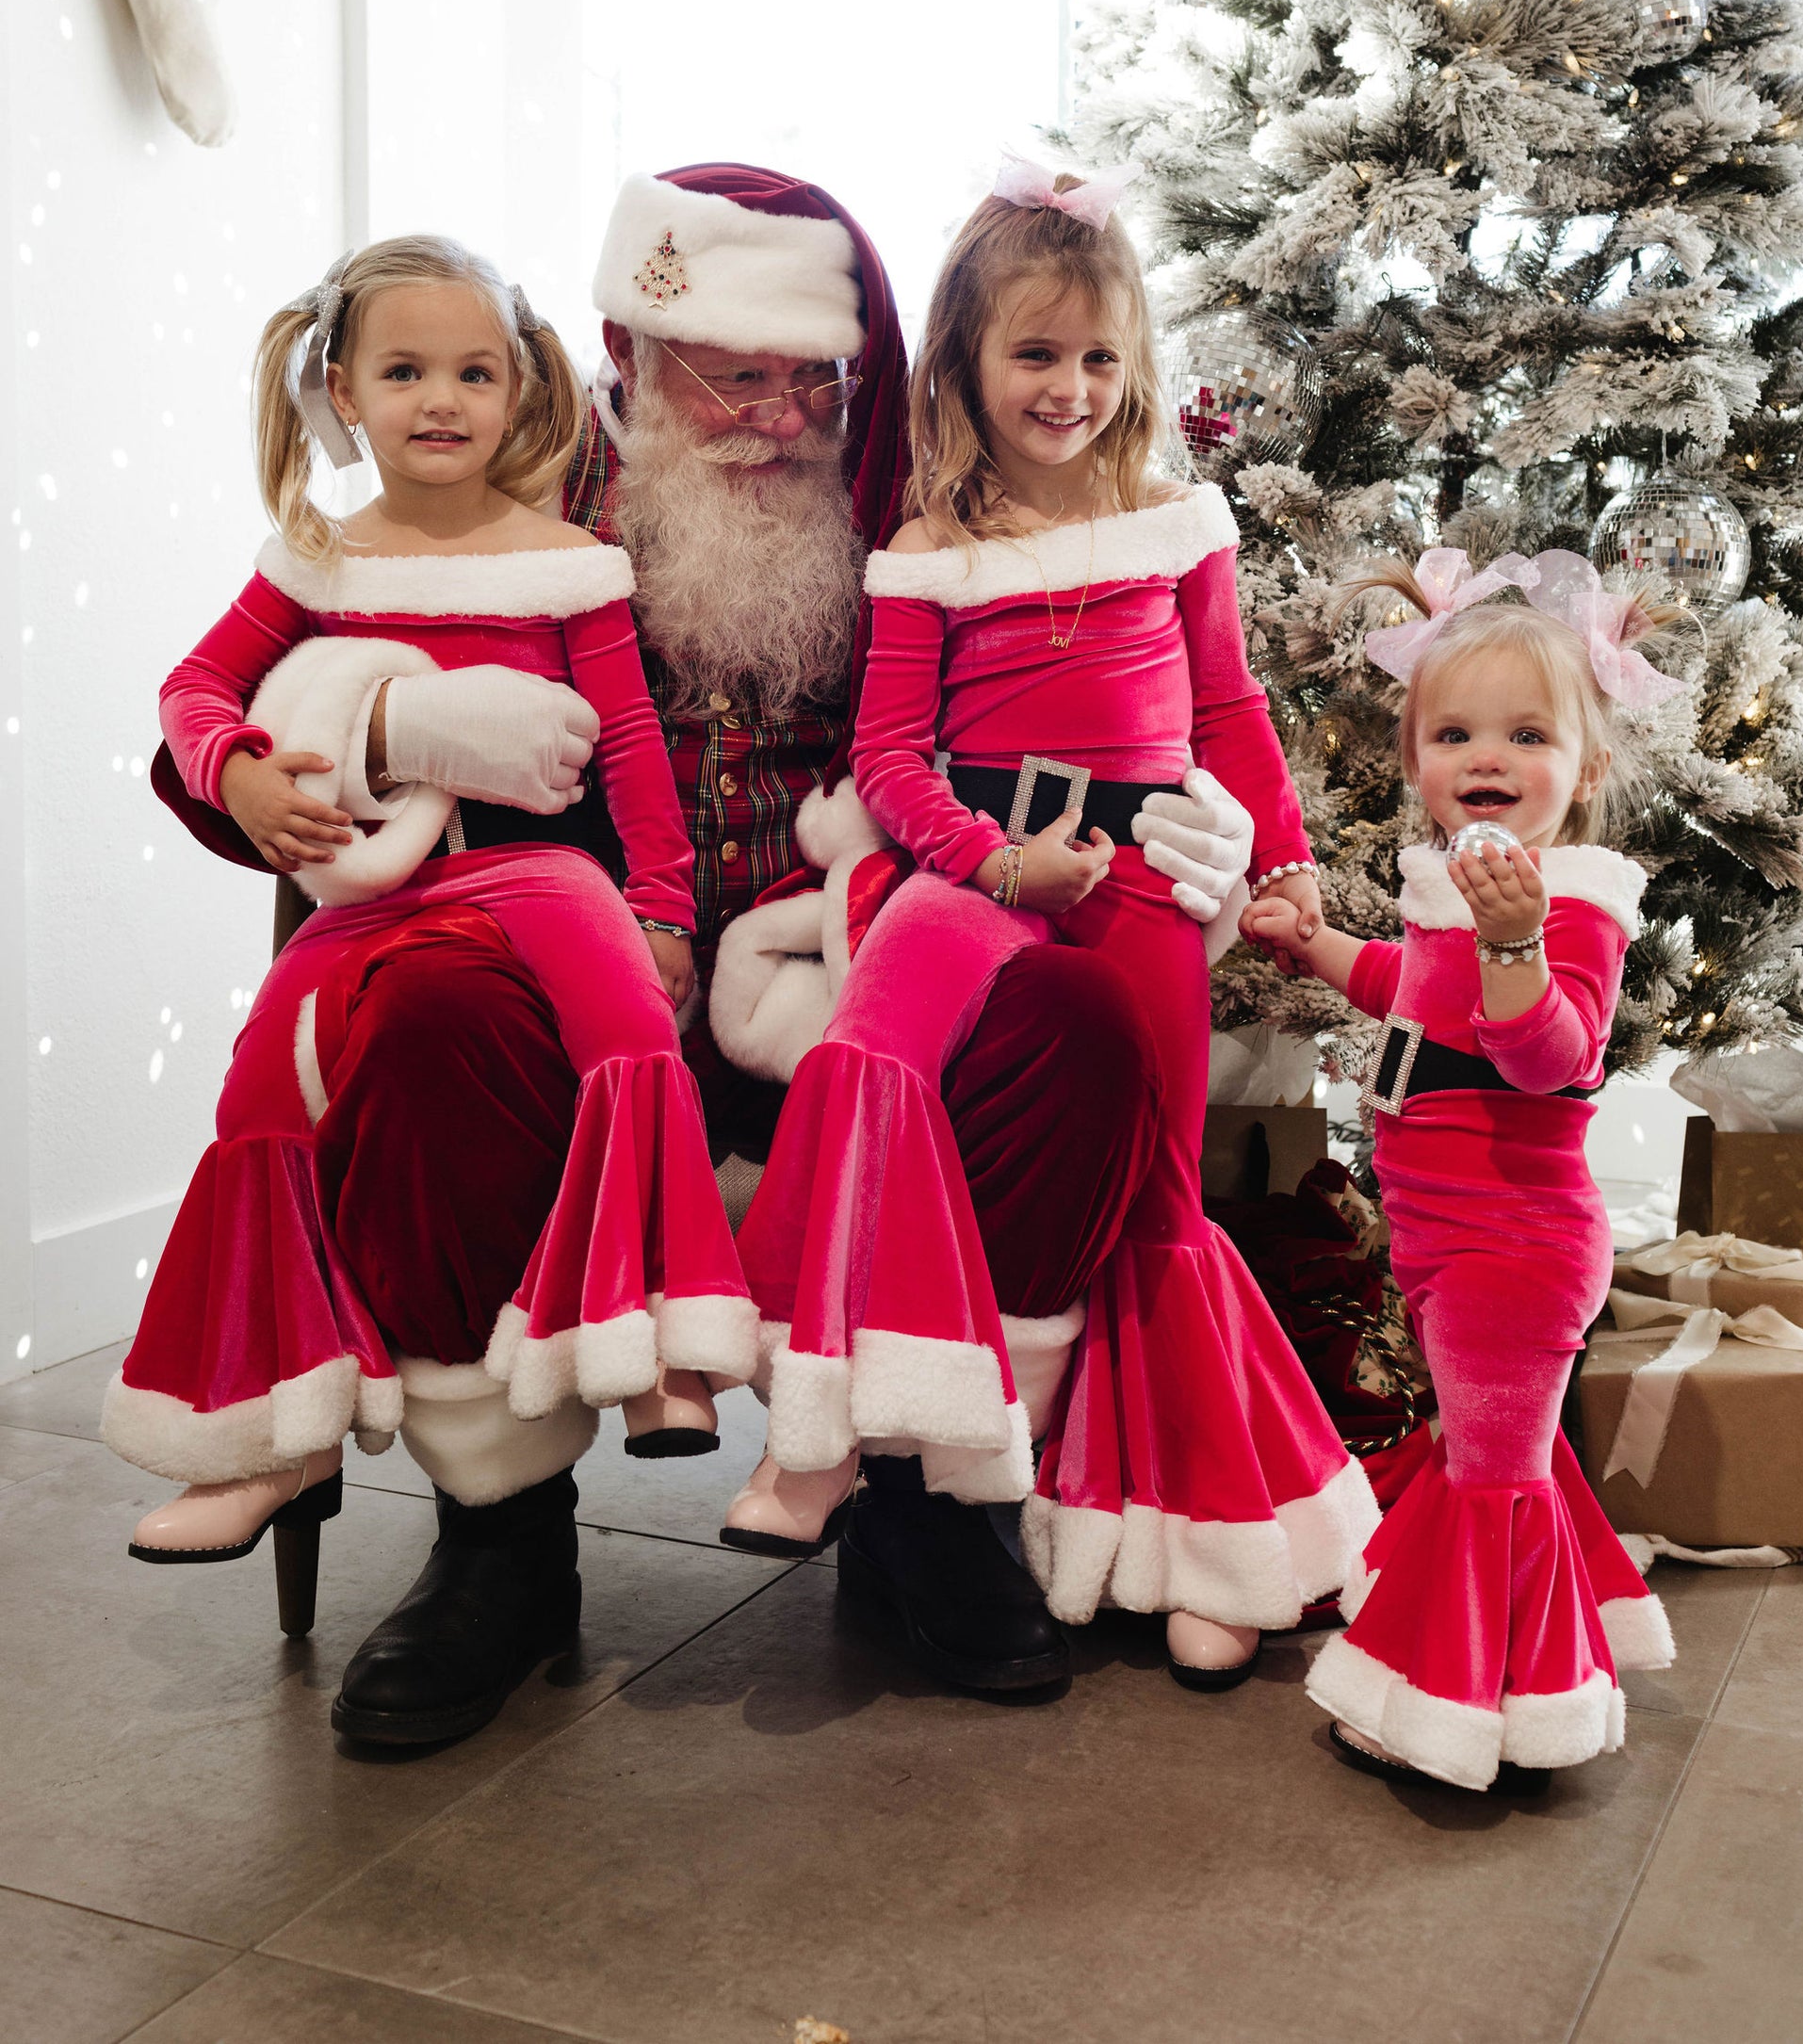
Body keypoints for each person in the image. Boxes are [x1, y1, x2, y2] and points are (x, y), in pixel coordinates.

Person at [142, 166, 1248, 1734]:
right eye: (734, 373)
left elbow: (1118, 671)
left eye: (813, 379)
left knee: (1068, 1018)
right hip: (576, 989)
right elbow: (239, 707)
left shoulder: (916, 501)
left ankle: (923, 1494)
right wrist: (376, 723)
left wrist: (1192, 818)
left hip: (859, 972)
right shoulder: (522, 499)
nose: (776, 416)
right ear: (630, 351)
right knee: (431, 1015)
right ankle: (503, 1538)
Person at [738, 161, 1379, 1692]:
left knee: (1152, 1193)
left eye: (1101, 357)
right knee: (874, 1055)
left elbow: (1225, 705)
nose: (1071, 388)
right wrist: (985, 860)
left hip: (1145, 868)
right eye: (1035, 353)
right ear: (963, 360)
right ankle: (818, 1425)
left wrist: (1279, 867)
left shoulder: (1171, 526)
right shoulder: (927, 549)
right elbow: (888, 754)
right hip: (967, 865)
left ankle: (1203, 1535)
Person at [108, 235, 755, 1744]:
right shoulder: (317, 558)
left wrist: (660, 906)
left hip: (540, 883)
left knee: (623, 1030)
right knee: (264, 1083)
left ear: (519, 386)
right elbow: (193, 695)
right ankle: (279, 1421)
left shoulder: (569, 562)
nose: (442, 400)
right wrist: (243, 770)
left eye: (474, 371)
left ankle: (657, 1342)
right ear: (343, 388)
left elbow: (634, 743)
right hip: (377, 905)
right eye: (404, 371)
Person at [1241, 546, 1679, 1793]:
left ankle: (1478, 1706)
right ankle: (1468, 1672)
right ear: (1415, 759)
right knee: (1495, 1461)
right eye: (1455, 733)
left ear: (1582, 769)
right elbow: (1405, 996)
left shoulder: (1565, 907)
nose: (1486, 757)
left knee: (1494, 1481)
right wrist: (1319, 939)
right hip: (1441, 1244)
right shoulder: (1450, 895)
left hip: (1514, 1251)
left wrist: (1513, 945)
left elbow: (1552, 1058)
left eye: (1526, 733)